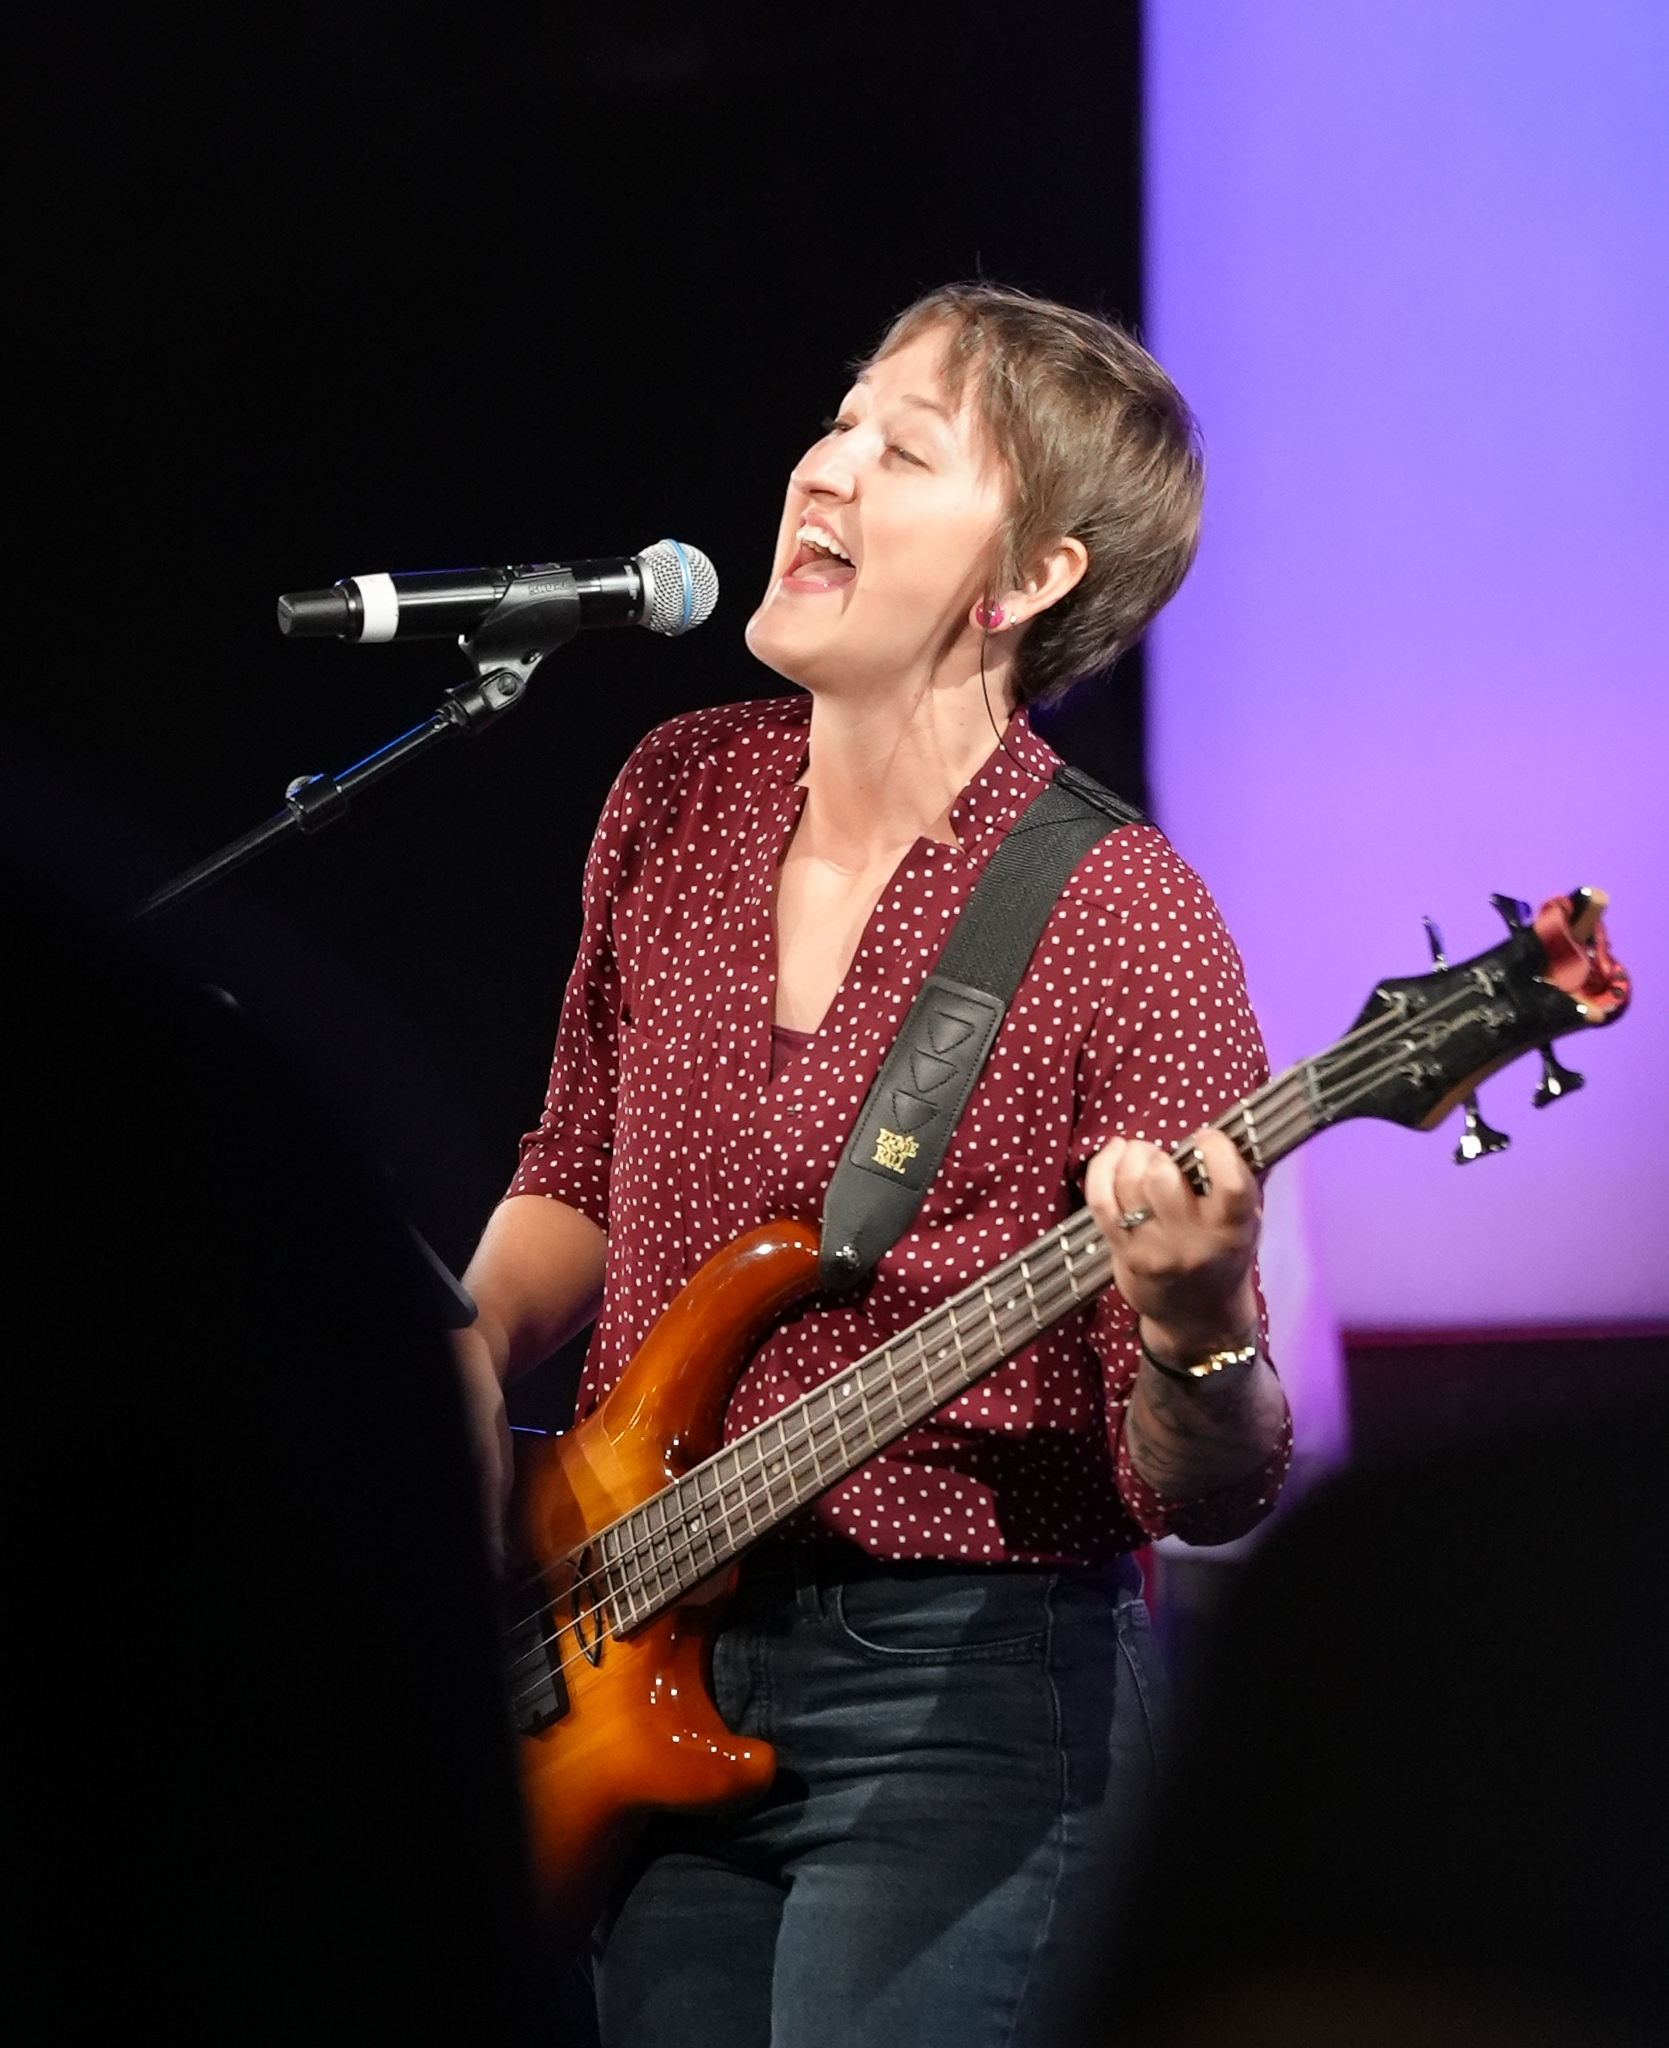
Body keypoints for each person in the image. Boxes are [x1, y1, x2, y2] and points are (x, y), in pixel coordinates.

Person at [452, 284, 1292, 2048]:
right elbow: (574, 1166)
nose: (823, 468)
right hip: (631, 1642)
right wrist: (470, 1338)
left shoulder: (1127, 921)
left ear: (1029, 578)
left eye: (903, 451)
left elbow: (1211, 1485)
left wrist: (1196, 1324)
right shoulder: (679, 792)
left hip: (964, 1709)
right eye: (841, 421)